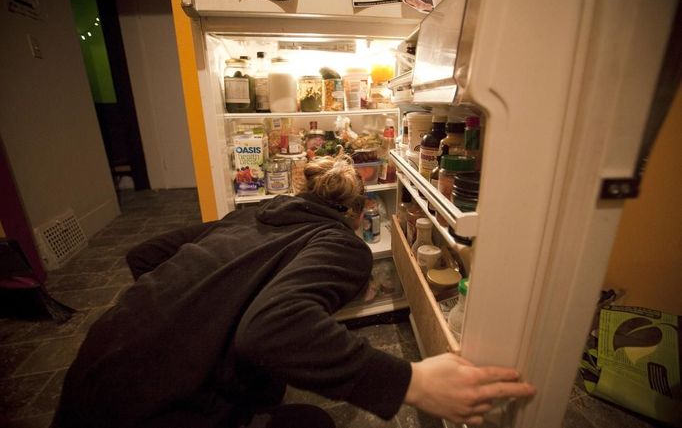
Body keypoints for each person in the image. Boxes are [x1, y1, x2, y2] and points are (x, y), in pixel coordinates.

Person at [53, 155, 535, 428]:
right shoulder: (343, 245)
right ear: (356, 211)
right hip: (153, 413)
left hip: (90, 378)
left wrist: (193, 318)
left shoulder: (248, 215)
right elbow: (270, 330)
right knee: (309, 426)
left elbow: (144, 256)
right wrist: (414, 383)